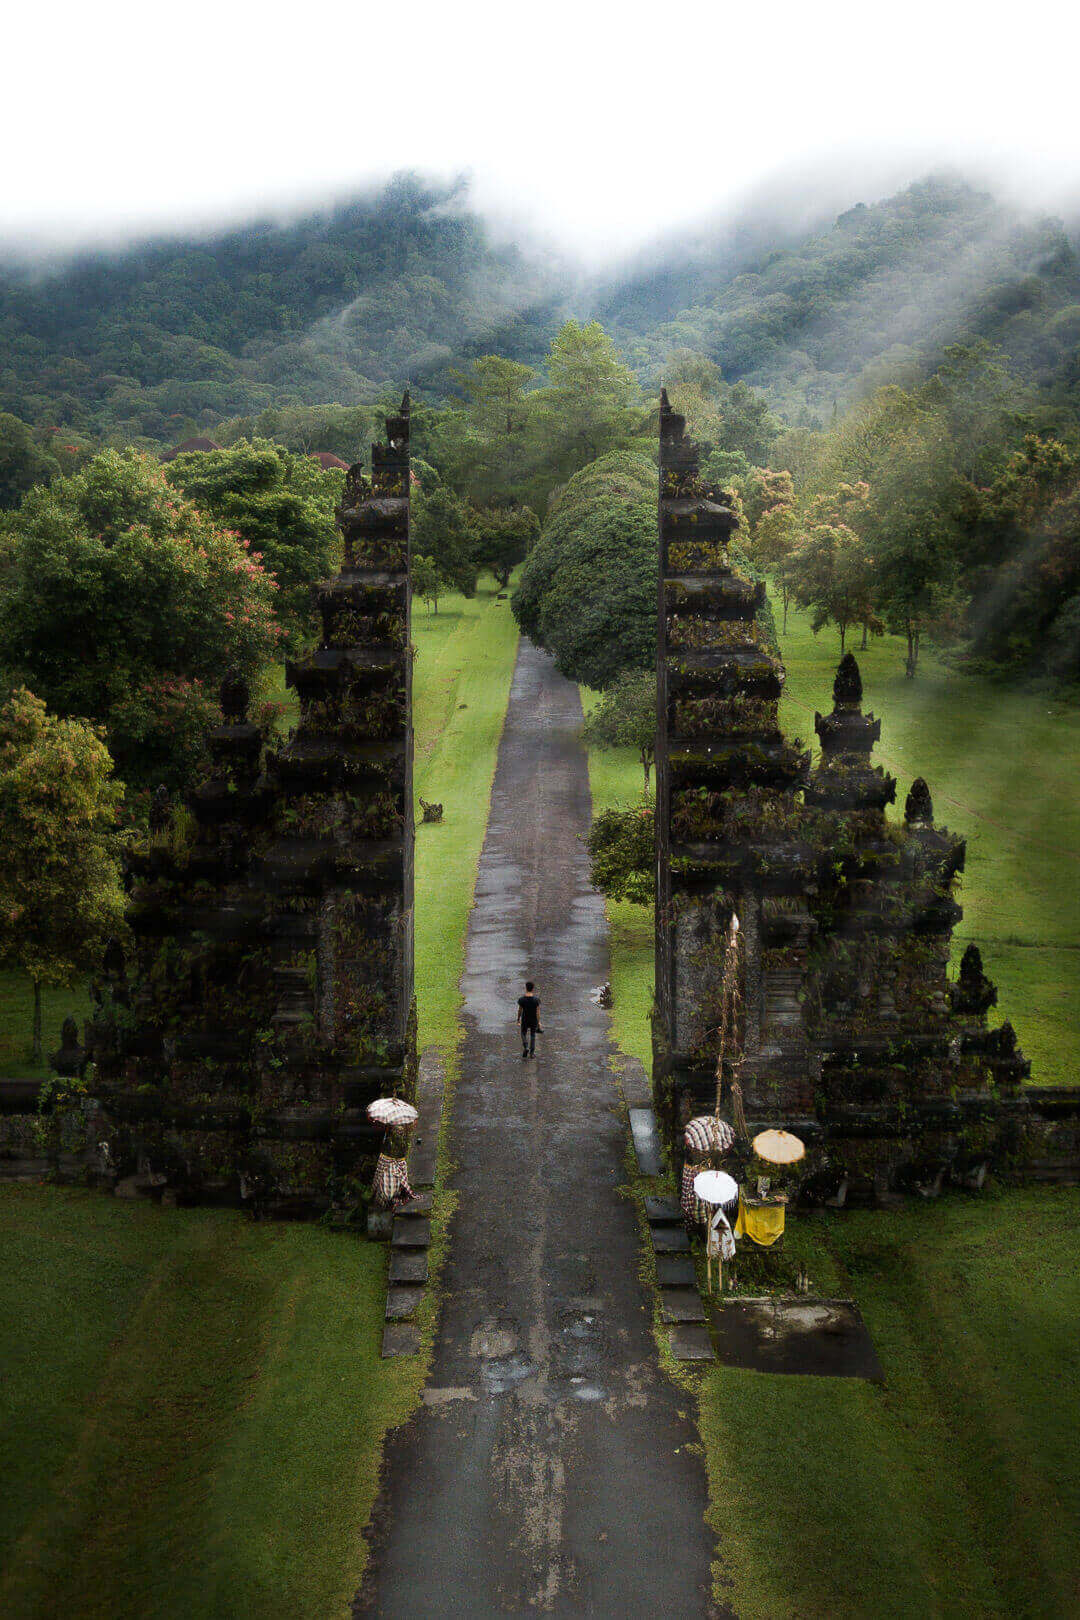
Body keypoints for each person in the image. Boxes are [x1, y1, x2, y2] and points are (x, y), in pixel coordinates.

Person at [516, 980, 541, 1059]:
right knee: (533, 1035)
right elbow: (538, 1012)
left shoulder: (522, 999)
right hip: (533, 1020)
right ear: (533, 988)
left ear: (526, 988)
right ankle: (532, 1053)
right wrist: (538, 1022)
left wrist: (518, 1019)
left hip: (525, 1019)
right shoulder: (536, 1000)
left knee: (523, 1033)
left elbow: (520, 1010)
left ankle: (526, 1046)